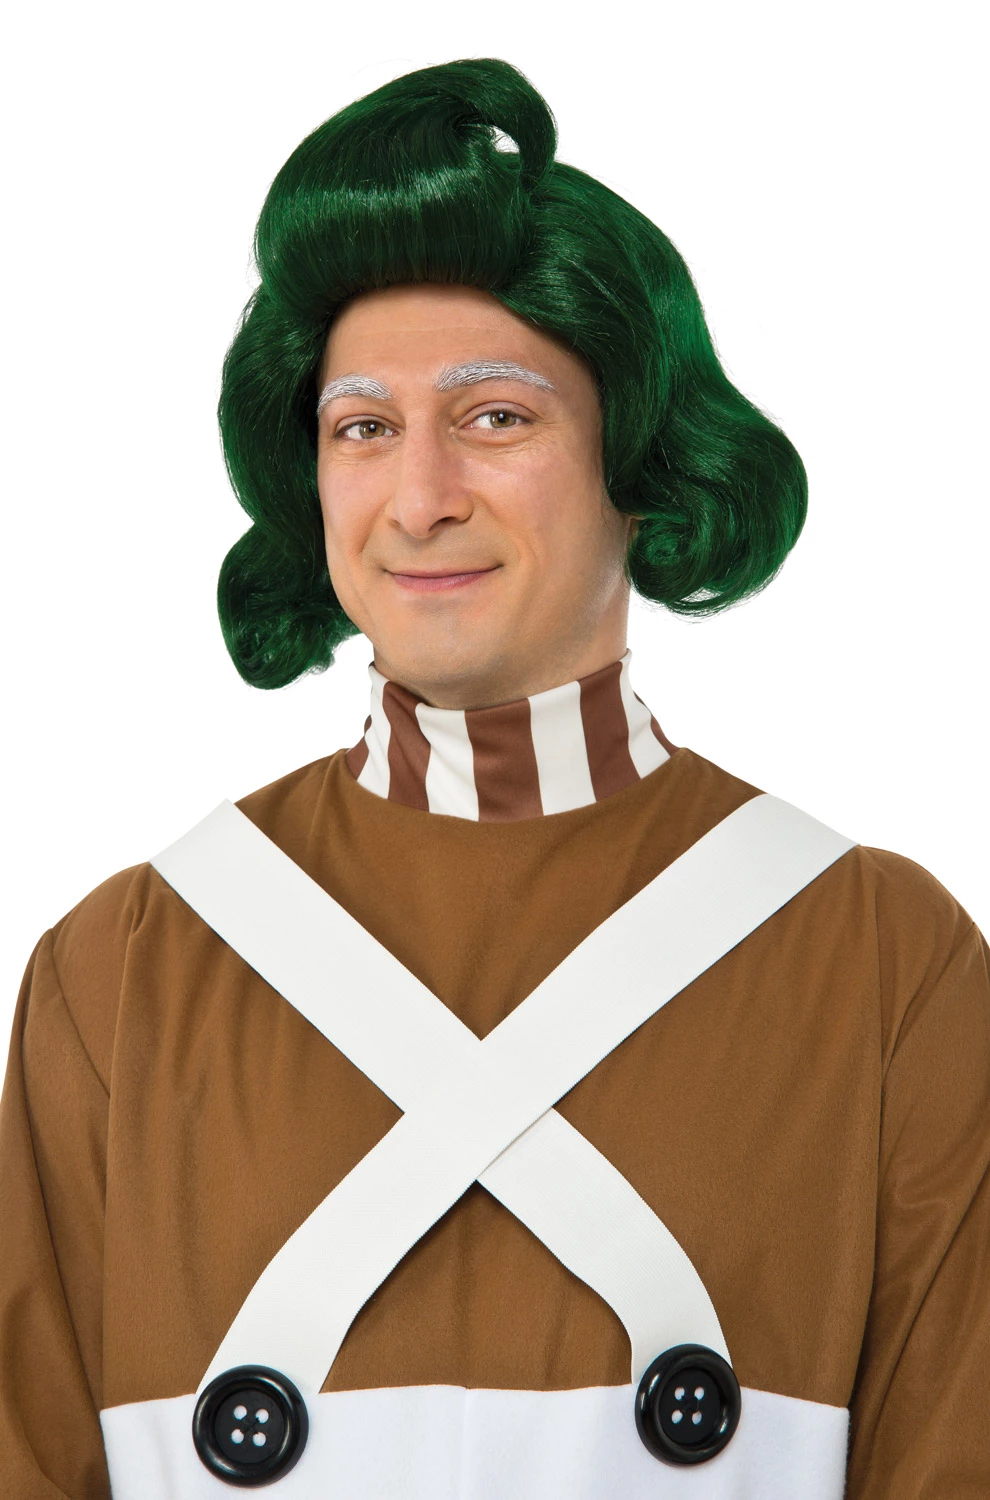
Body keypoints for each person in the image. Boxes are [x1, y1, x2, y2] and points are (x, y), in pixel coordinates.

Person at [1, 55, 987, 1500]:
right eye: (362, 429)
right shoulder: (118, 974)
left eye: (496, 417)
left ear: (640, 462)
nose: (418, 500)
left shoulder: (883, 962)